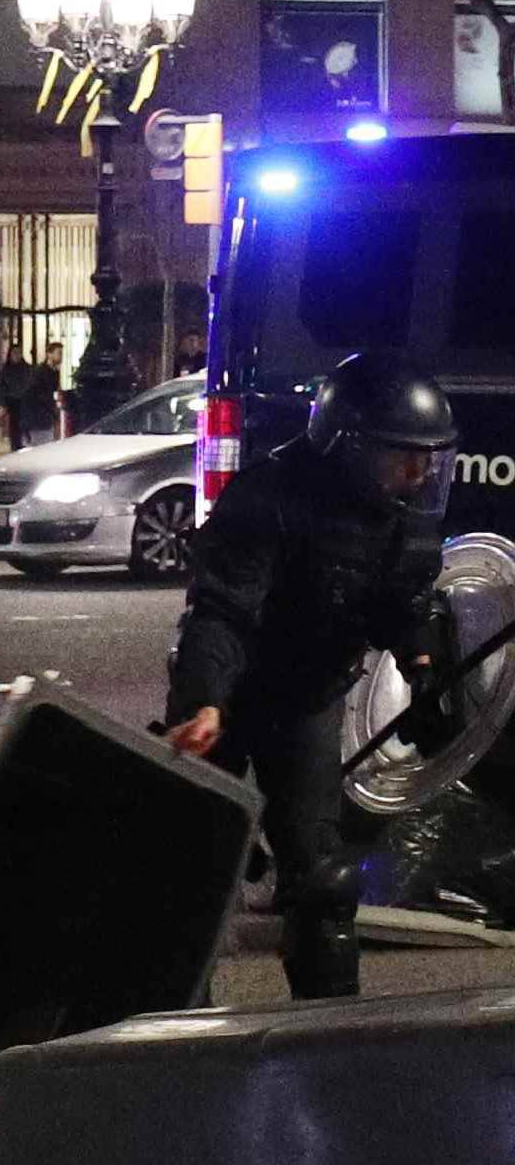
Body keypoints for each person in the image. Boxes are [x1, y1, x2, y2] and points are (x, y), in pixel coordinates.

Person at [163, 349, 455, 1002]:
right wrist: (204, 701)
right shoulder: (268, 498)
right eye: (401, 453)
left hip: (308, 699)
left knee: (323, 883)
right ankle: (176, 1025)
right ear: (349, 447)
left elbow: (405, 603)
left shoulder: (399, 518)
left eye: (428, 456)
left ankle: (327, 1033)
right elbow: (221, 611)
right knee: (197, 869)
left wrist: (427, 668)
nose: (418, 471)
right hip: (231, 697)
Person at [21, 339, 65, 447]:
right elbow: (35, 394)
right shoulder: (40, 372)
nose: (61, 356)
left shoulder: (54, 372)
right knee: (41, 446)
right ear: (49, 354)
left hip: (45, 417)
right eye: (58, 353)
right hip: (38, 417)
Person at [0, 332, 34, 452]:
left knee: (25, 428)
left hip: (25, 402)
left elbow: (30, 384)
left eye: (19, 353)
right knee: (14, 431)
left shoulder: (27, 369)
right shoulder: (6, 370)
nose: (17, 356)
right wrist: (2, 403)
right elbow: (1, 387)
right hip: (13, 403)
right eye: (14, 353)